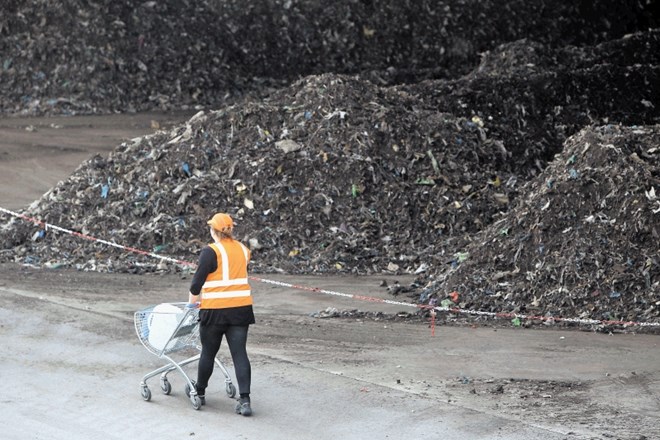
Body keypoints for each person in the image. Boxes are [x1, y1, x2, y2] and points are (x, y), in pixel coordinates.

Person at [187, 212, 254, 416]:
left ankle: (199, 392)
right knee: (239, 353)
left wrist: (191, 307)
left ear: (213, 231)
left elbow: (196, 284)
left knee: (208, 352)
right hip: (241, 310)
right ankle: (245, 400)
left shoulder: (210, 251)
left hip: (214, 312)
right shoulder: (244, 250)